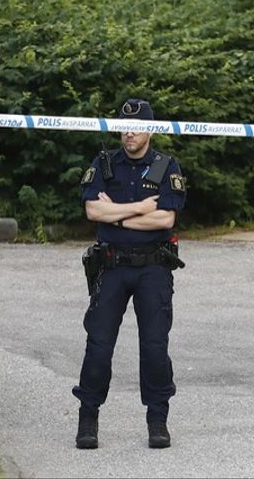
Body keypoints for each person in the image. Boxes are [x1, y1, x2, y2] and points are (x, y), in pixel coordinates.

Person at [73, 98, 187, 450]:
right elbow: (93, 210)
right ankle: (88, 418)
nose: (129, 133)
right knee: (98, 346)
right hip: (112, 265)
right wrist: (137, 209)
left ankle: (157, 420)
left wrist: (116, 213)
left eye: (136, 127)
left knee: (154, 346)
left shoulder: (167, 167)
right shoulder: (105, 164)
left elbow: (165, 219)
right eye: (123, 126)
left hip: (153, 267)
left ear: (150, 130)